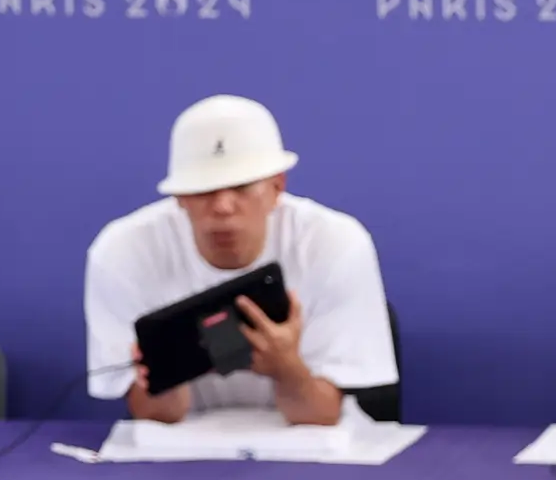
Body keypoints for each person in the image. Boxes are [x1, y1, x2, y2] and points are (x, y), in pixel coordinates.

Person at [87, 96, 401, 426]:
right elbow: (155, 416)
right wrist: (163, 374)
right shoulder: (122, 252)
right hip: (184, 450)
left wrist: (287, 370)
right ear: (178, 198)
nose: (223, 206)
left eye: (242, 187)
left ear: (277, 187)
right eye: (204, 189)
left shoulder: (335, 244)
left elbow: (319, 416)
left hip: (309, 448)